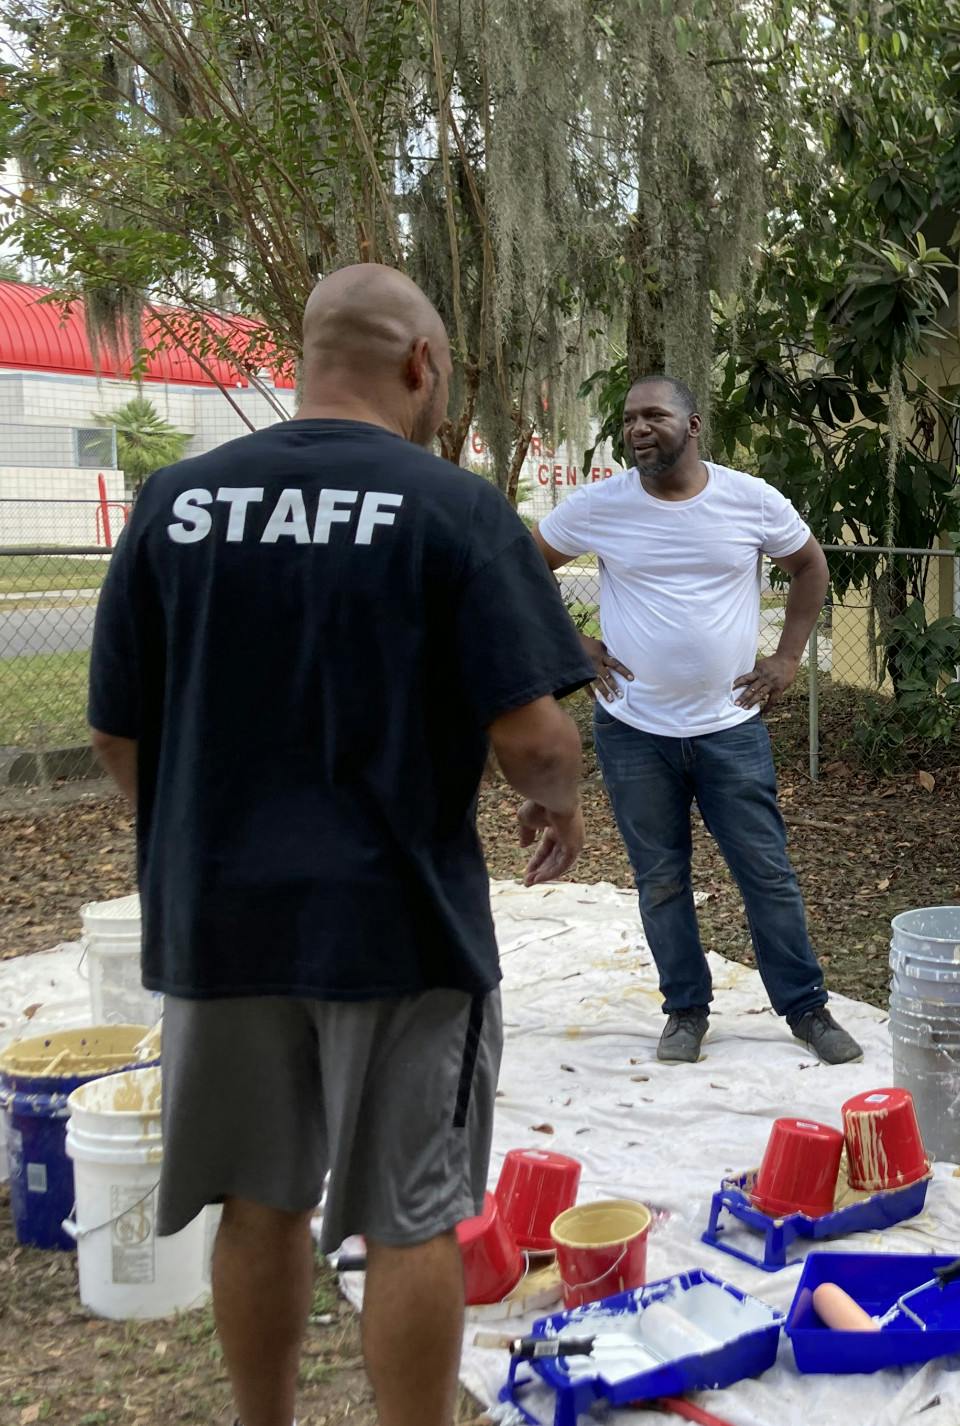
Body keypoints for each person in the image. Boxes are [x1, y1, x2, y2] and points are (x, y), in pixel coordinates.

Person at [86, 264, 596, 1426]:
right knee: (411, 1213)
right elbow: (535, 735)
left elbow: (118, 733)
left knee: (254, 1200)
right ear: (421, 364)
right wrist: (554, 800)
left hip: (219, 920)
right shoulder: (453, 511)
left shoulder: (174, 502)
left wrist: (200, 830)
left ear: (307, 356)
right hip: (398, 925)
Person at [534, 373, 860, 1066]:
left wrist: (787, 659)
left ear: (694, 425)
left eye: (654, 414)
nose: (638, 428)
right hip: (632, 729)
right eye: (629, 419)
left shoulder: (750, 499)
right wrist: (573, 645)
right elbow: (523, 566)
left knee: (766, 872)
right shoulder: (601, 506)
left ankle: (806, 1008)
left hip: (730, 726)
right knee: (659, 878)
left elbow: (809, 567)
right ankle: (685, 1010)